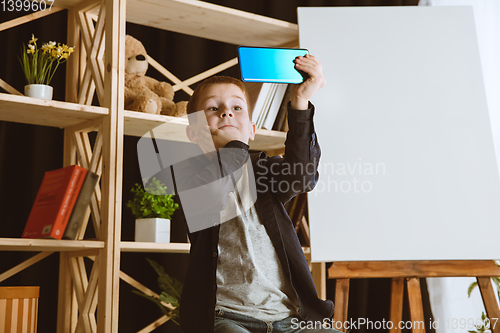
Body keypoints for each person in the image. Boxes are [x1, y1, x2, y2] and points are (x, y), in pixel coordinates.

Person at [149, 54, 341, 333]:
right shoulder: (188, 175)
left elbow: (302, 175)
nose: (226, 112)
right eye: (213, 109)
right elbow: (215, 189)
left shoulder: (263, 170)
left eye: (237, 108)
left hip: (290, 318)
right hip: (227, 318)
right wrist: (236, 147)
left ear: (252, 130)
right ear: (194, 133)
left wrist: (300, 101)